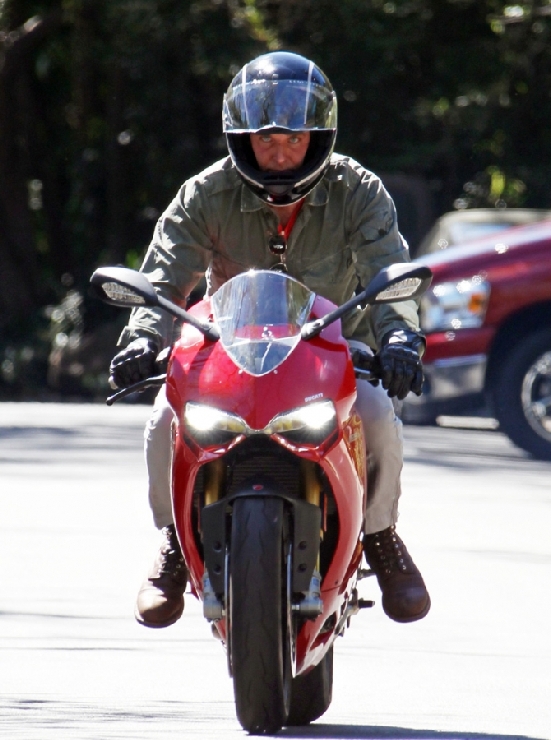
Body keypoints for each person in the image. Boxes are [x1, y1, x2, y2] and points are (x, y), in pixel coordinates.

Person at [110, 51, 431, 629]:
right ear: (242, 140)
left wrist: (402, 341)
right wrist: (139, 339)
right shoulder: (205, 192)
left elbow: (389, 275)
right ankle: (176, 541)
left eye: (294, 139)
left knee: (379, 415)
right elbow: (163, 276)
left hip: (335, 357)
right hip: (226, 355)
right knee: (163, 421)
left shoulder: (359, 190)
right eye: (266, 141)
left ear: (319, 137)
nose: (280, 154)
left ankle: (381, 534)